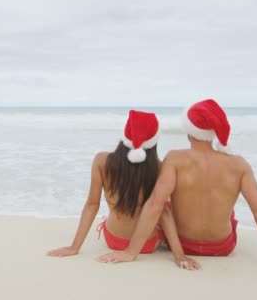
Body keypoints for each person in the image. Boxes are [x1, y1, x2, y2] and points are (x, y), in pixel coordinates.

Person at [97, 99, 257, 270]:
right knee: (227, 210)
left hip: (184, 243)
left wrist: (130, 252)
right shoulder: (239, 165)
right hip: (222, 247)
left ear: (190, 131)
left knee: (166, 204)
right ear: (213, 134)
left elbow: (155, 205)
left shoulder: (175, 159)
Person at [47, 110, 188, 263]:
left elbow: (92, 205)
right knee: (164, 205)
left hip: (113, 240)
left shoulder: (101, 161)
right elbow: (163, 212)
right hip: (147, 244)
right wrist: (179, 255)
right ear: (154, 141)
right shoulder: (158, 167)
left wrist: (74, 247)